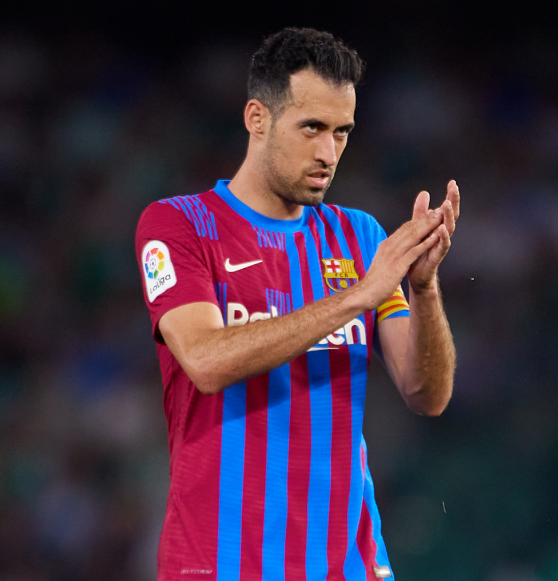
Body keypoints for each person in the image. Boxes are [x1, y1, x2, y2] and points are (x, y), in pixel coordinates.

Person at [135, 27, 459, 581]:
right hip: (221, 563)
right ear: (257, 118)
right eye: (311, 128)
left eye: (341, 132)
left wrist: (424, 290)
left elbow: (426, 394)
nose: (328, 153)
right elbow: (206, 361)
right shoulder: (179, 225)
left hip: (346, 565)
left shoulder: (360, 237)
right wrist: (358, 295)